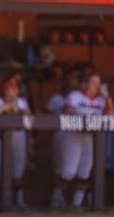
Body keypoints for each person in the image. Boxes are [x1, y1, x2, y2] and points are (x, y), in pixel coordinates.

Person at [51, 72, 114, 209]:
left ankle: (76, 204)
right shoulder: (76, 95)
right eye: (94, 83)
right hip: (73, 135)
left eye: (99, 83)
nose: (97, 86)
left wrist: (107, 97)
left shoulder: (101, 100)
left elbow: (111, 115)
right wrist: (83, 118)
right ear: (84, 84)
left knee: (85, 171)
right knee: (69, 171)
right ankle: (56, 198)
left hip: (90, 137)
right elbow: (68, 112)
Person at [0, 77, 31, 210]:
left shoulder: (22, 102)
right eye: (9, 88)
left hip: (17, 138)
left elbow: (30, 116)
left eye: (14, 89)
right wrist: (8, 107)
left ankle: (19, 200)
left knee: (18, 170)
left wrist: (20, 109)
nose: (11, 91)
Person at [46, 70, 79, 208]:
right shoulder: (56, 98)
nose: (73, 83)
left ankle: (65, 198)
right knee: (60, 169)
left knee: (75, 169)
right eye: (70, 80)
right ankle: (57, 198)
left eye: (75, 80)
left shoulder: (79, 97)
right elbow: (45, 115)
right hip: (60, 133)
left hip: (76, 135)